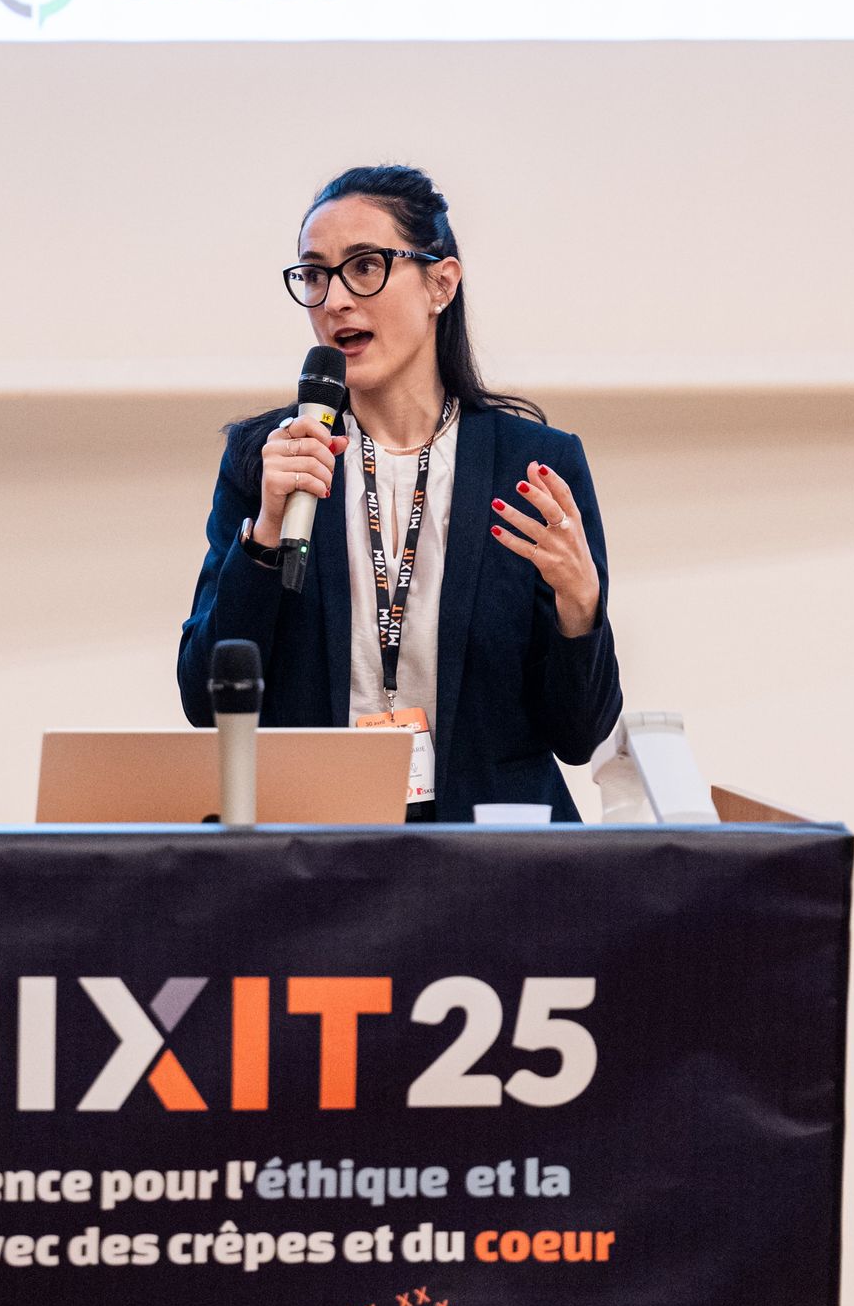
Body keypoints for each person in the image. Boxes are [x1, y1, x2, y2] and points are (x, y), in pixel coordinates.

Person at [177, 165, 621, 821]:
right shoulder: (270, 459)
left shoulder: (533, 467)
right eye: (314, 275)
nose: (334, 300)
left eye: (364, 267)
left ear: (441, 283)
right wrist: (266, 537)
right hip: (318, 841)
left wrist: (580, 609)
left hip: (496, 849)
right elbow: (203, 701)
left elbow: (580, 736)